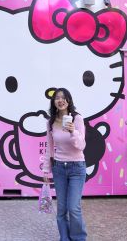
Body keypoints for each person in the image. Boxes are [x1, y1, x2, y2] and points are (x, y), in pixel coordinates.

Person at [43, 88, 87, 241]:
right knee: (61, 209)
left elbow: (81, 146)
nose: (60, 100)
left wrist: (73, 131)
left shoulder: (77, 119)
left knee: (73, 208)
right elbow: (49, 148)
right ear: (54, 102)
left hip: (77, 167)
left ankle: (79, 238)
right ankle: (64, 238)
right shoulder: (50, 122)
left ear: (68, 100)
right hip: (59, 168)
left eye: (63, 97)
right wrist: (46, 171)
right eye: (57, 98)